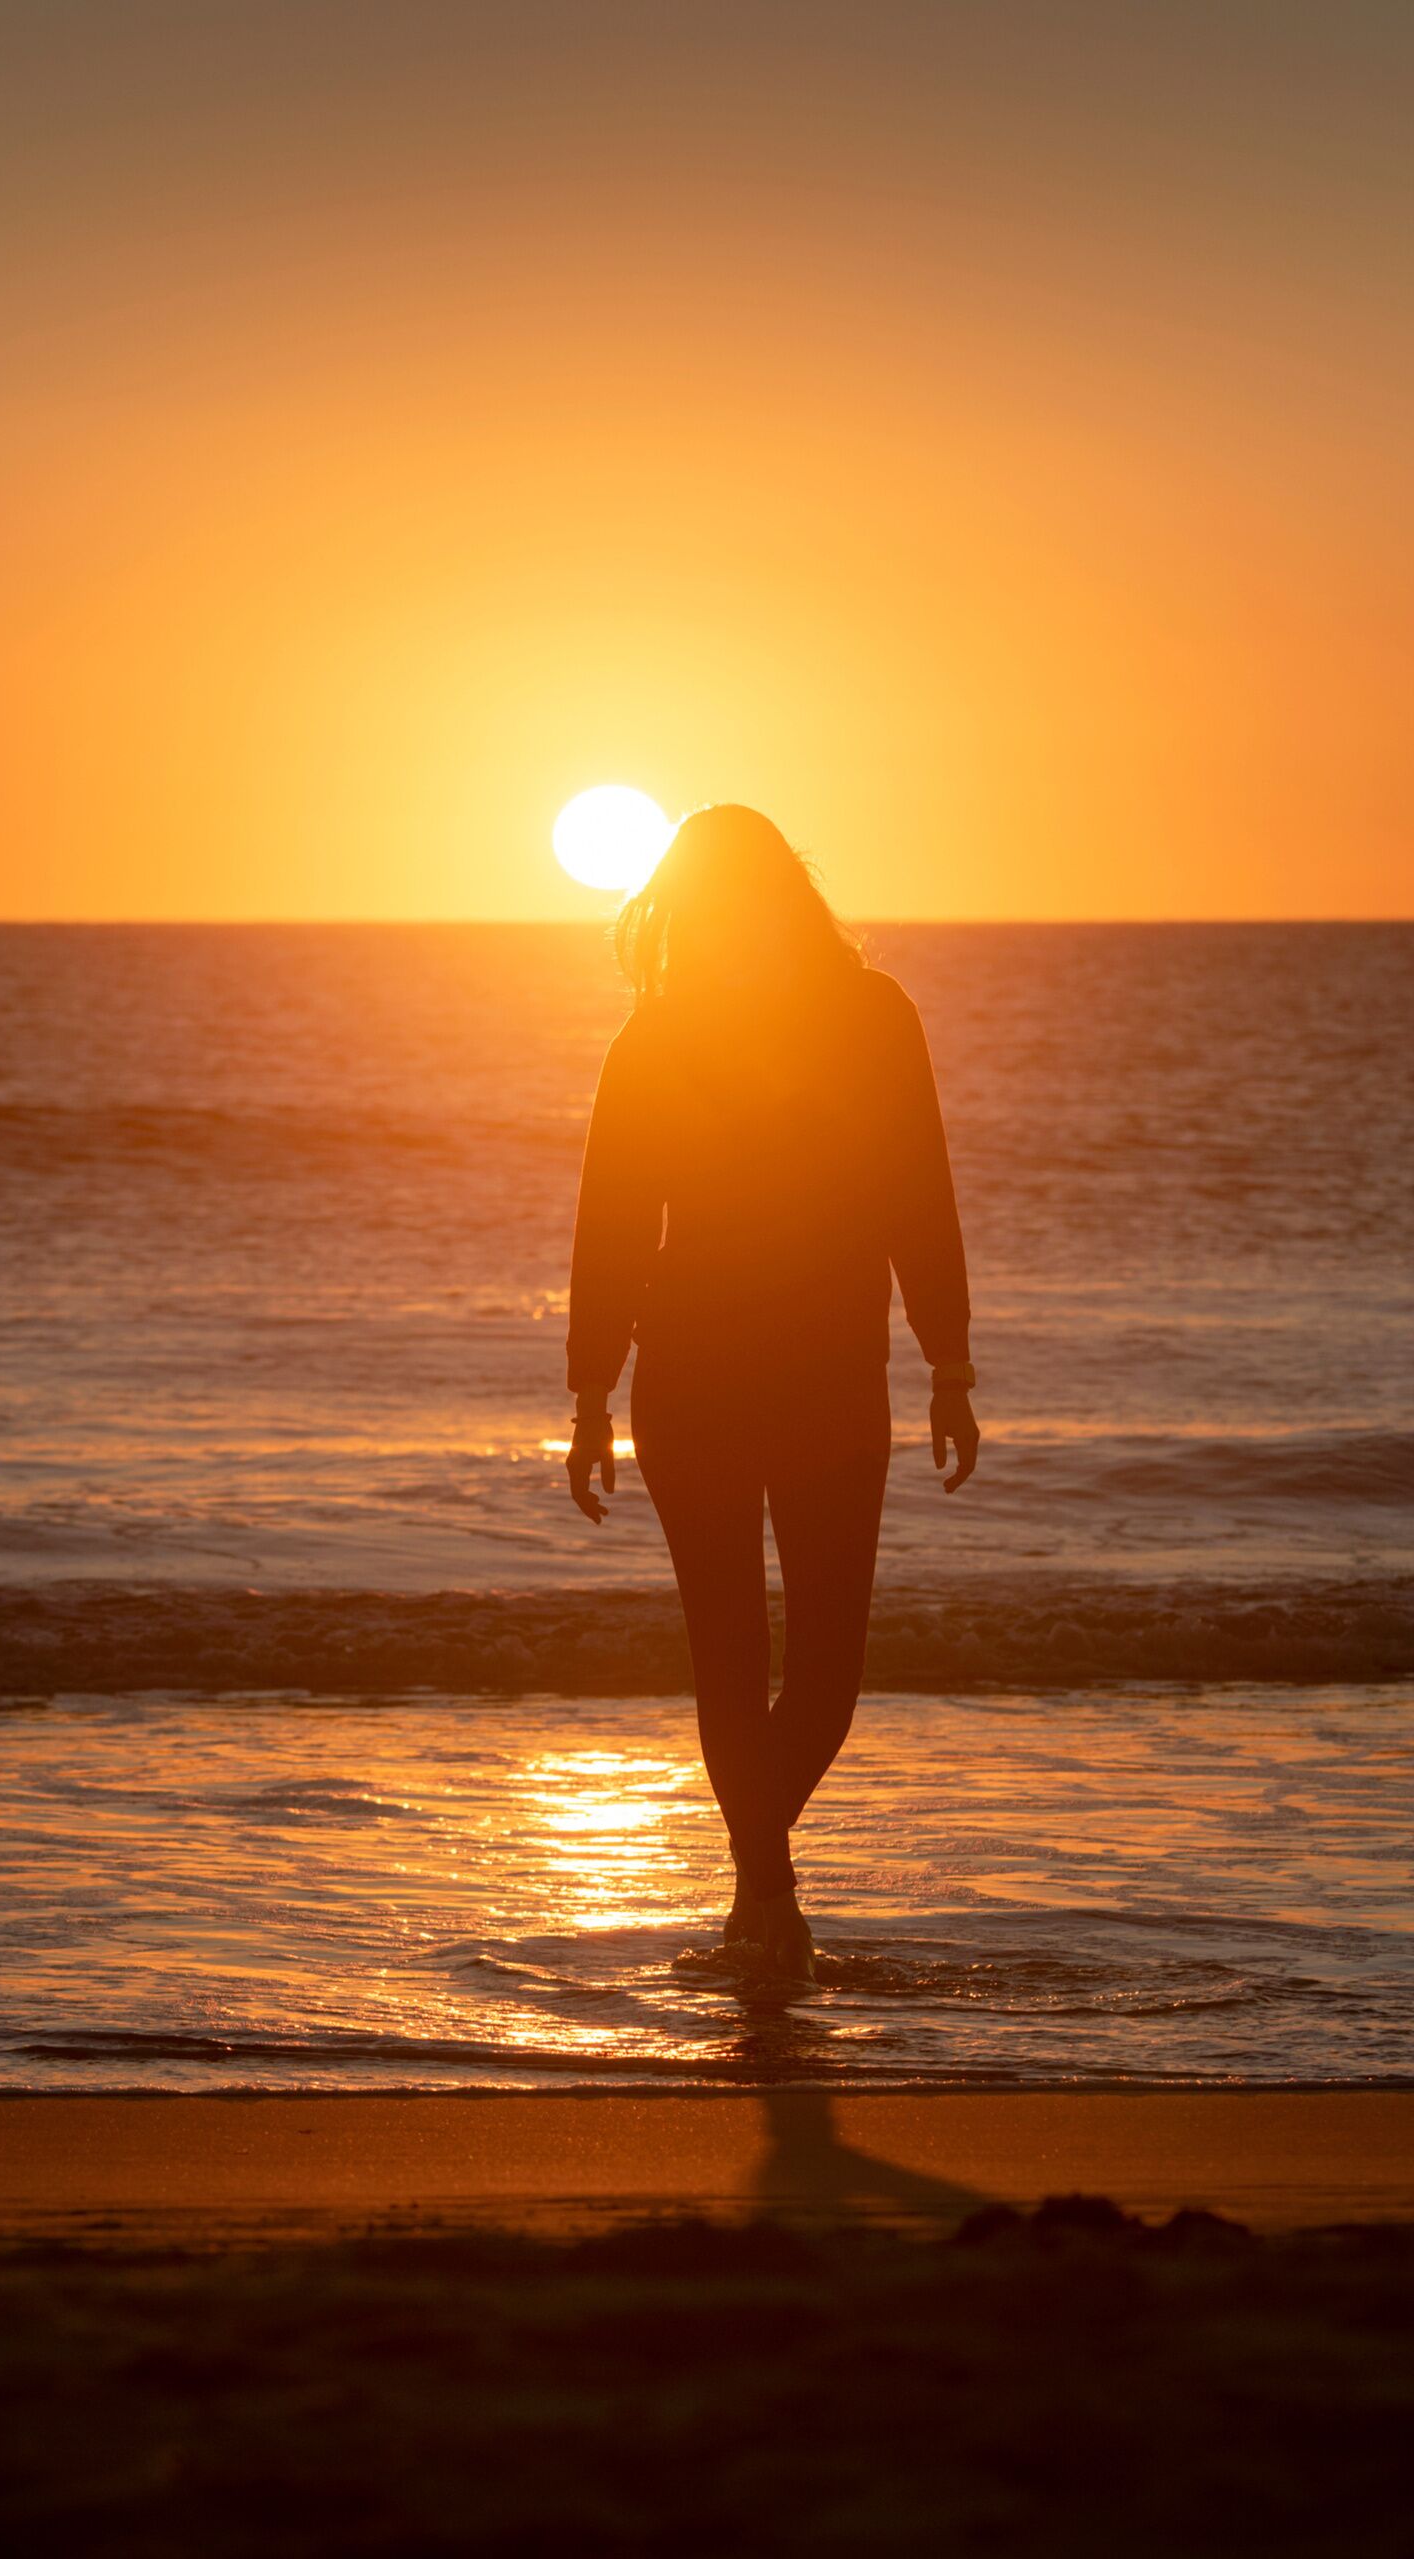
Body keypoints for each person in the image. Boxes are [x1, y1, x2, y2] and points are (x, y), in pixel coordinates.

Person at [564, 804, 979, 1979]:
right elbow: (609, 1221)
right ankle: (772, 1902)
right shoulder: (830, 1019)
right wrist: (590, 1390)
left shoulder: (726, 1029)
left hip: (755, 1379)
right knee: (786, 1665)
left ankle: (762, 1896)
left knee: (758, 1666)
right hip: (778, 1376)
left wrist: (950, 1358)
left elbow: (913, 1188)